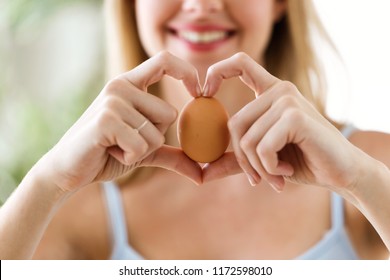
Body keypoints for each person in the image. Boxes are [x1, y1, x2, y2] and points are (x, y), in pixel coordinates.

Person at [1, 0, 390, 260]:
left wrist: (362, 182)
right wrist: (46, 184)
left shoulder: (371, 166)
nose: (201, 5)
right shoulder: (79, 206)